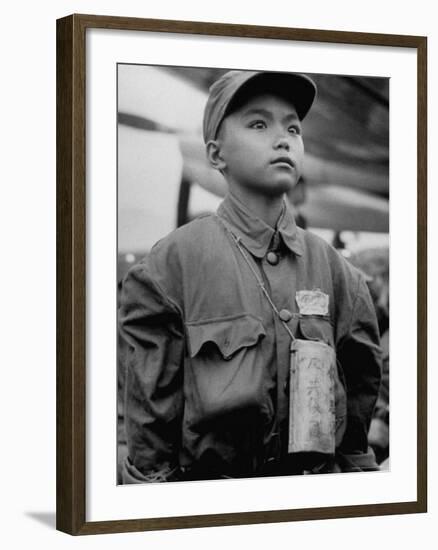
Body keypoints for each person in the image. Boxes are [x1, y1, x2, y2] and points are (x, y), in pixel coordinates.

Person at [118, 70, 382, 483]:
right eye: (258, 124)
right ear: (215, 153)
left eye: (293, 127)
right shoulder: (168, 269)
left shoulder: (339, 273)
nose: (283, 138)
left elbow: (355, 432)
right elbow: (151, 451)